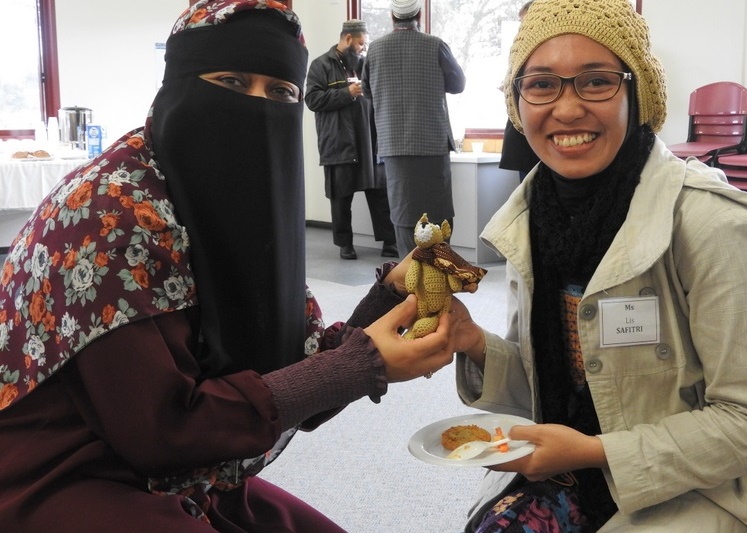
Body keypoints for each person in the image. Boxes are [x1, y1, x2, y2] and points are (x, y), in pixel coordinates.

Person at [0, 2, 457, 531]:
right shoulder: (104, 214)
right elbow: (161, 429)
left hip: (190, 474)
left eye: (281, 92)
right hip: (65, 472)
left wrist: (388, 303)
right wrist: (362, 364)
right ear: (178, 86)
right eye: (232, 80)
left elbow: (293, 371)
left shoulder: (236, 205)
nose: (258, 110)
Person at [446, 0, 747, 531]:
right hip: (583, 460)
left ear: (638, 95)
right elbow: (554, 386)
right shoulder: (530, 217)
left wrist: (594, 452)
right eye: (541, 84)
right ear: (518, 104)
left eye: (595, 82)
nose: (565, 110)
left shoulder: (713, 225)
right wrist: (471, 340)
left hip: (719, 484)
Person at [361, 0, 466, 257]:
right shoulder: (436, 45)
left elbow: (366, 92)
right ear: (419, 14)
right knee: (438, 215)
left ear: (392, 17)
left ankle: (410, 279)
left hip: (394, 145)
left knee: (403, 214)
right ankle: (439, 276)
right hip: (432, 144)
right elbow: (458, 84)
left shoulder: (374, 49)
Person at [306, 19, 398, 261]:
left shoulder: (366, 64)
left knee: (380, 194)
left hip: (369, 142)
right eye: (360, 43)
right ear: (347, 39)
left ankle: (390, 241)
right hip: (338, 142)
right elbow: (312, 100)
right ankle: (345, 244)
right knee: (341, 198)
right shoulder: (320, 66)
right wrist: (347, 93)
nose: (362, 48)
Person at [498, 1, 540, 183]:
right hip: (523, 136)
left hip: (536, 134)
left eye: (524, 21)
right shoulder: (520, 49)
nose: (521, 27)